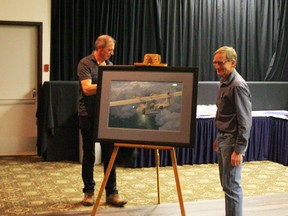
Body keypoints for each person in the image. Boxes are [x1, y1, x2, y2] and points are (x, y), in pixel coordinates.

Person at [77, 34, 127, 207]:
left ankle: (112, 193)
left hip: (106, 116)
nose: (112, 53)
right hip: (88, 115)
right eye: (110, 50)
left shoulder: (110, 66)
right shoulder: (85, 63)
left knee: (109, 155)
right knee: (89, 155)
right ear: (100, 48)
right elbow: (87, 89)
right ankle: (88, 192)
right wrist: (108, 83)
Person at [213, 46, 252, 216]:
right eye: (215, 62)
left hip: (232, 142)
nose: (217, 66)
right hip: (224, 139)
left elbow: (245, 121)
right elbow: (226, 115)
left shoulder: (237, 85)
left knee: (232, 188)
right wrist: (219, 136)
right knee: (227, 186)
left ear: (233, 62)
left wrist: (239, 150)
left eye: (220, 63)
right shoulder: (225, 81)